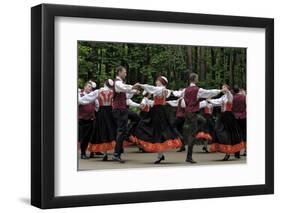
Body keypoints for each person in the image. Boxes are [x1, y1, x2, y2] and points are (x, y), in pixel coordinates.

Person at [132, 76, 182, 164]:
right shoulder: (164, 90)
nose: (156, 82)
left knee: (156, 131)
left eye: (158, 81)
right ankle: (160, 155)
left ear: (162, 82)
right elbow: (175, 93)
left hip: (158, 112)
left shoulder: (160, 89)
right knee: (158, 131)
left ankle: (160, 155)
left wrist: (140, 85)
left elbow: (151, 88)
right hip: (158, 111)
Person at [175, 73, 222, 163]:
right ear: (195, 79)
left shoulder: (185, 90)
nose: (197, 79)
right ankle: (189, 157)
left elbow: (177, 94)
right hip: (192, 113)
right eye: (197, 78)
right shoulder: (197, 90)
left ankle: (197, 132)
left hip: (188, 113)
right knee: (192, 135)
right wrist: (219, 91)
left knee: (203, 120)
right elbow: (208, 92)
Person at [207, 84, 245, 161]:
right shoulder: (223, 97)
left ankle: (232, 153)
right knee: (218, 130)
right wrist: (209, 100)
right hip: (223, 116)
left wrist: (227, 91)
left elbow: (230, 98)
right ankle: (227, 149)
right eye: (222, 87)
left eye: (224, 87)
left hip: (228, 116)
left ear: (227, 88)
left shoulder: (230, 95)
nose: (222, 88)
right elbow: (217, 102)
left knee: (231, 133)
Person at [82, 79, 116, 161]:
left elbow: (88, 98)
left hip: (102, 113)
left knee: (101, 131)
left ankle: (104, 153)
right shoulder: (113, 91)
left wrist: (79, 101)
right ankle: (113, 152)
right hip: (110, 113)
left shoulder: (98, 91)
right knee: (110, 131)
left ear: (104, 83)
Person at [112, 66, 139, 163]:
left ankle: (119, 150)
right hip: (119, 110)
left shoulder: (120, 84)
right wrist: (133, 87)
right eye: (124, 72)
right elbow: (124, 88)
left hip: (121, 109)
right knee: (120, 131)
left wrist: (134, 91)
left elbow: (126, 94)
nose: (126, 74)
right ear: (119, 72)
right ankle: (116, 154)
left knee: (123, 129)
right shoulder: (118, 82)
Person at [78, 81, 97, 159]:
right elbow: (80, 102)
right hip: (82, 119)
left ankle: (92, 151)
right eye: (89, 86)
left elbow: (97, 105)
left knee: (90, 137)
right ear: (85, 86)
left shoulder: (93, 96)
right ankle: (83, 153)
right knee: (83, 137)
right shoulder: (79, 94)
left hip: (91, 118)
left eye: (91, 87)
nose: (90, 88)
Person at [232, 85, 247, 156]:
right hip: (243, 117)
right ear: (239, 90)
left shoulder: (233, 98)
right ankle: (245, 150)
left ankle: (237, 151)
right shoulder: (244, 97)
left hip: (235, 117)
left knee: (237, 134)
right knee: (244, 133)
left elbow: (231, 107)